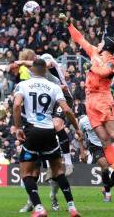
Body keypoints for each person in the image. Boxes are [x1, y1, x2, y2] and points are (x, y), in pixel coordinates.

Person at [60, 13, 114, 190]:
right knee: (104, 140)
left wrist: (91, 66)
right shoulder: (94, 52)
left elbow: (105, 73)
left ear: (106, 46)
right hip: (90, 101)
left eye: (101, 42)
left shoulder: (111, 61)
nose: (98, 44)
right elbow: (80, 39)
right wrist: (69, 24)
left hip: (103, 98)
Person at [13, 58, 86, 217]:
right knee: (58, 171)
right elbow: (66, 109)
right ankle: (72, 208)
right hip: (49, 131)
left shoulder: (23, 85)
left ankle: (39, 208)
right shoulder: (53, 86)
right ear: (46, 70)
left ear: (32, 70)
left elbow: (17, 105)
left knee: (27, 173)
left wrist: (18, 128)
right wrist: (77, 129)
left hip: (32, 131)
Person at [79, 114, 114, 202]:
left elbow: (113, 131)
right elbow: (79, 137)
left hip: (107, 145)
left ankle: (105, 189)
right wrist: (82, 152)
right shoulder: (83, 121)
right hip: (95, 147)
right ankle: (108, 195)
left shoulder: (104, 116)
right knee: (104, 166)